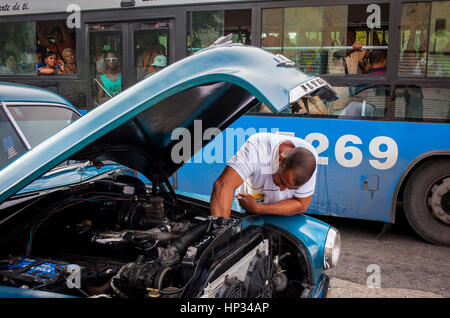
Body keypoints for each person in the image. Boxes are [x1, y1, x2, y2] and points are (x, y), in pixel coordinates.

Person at [210, 132, 318, 218]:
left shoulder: (308, 161)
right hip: (243, 209)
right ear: (280, 159)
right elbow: (223, 185)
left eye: (290, 188)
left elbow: (301, 204)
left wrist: (258, 208)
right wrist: (221, 233)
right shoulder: (257, 147)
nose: (282, 189)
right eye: (282, 181)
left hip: (282, 215)